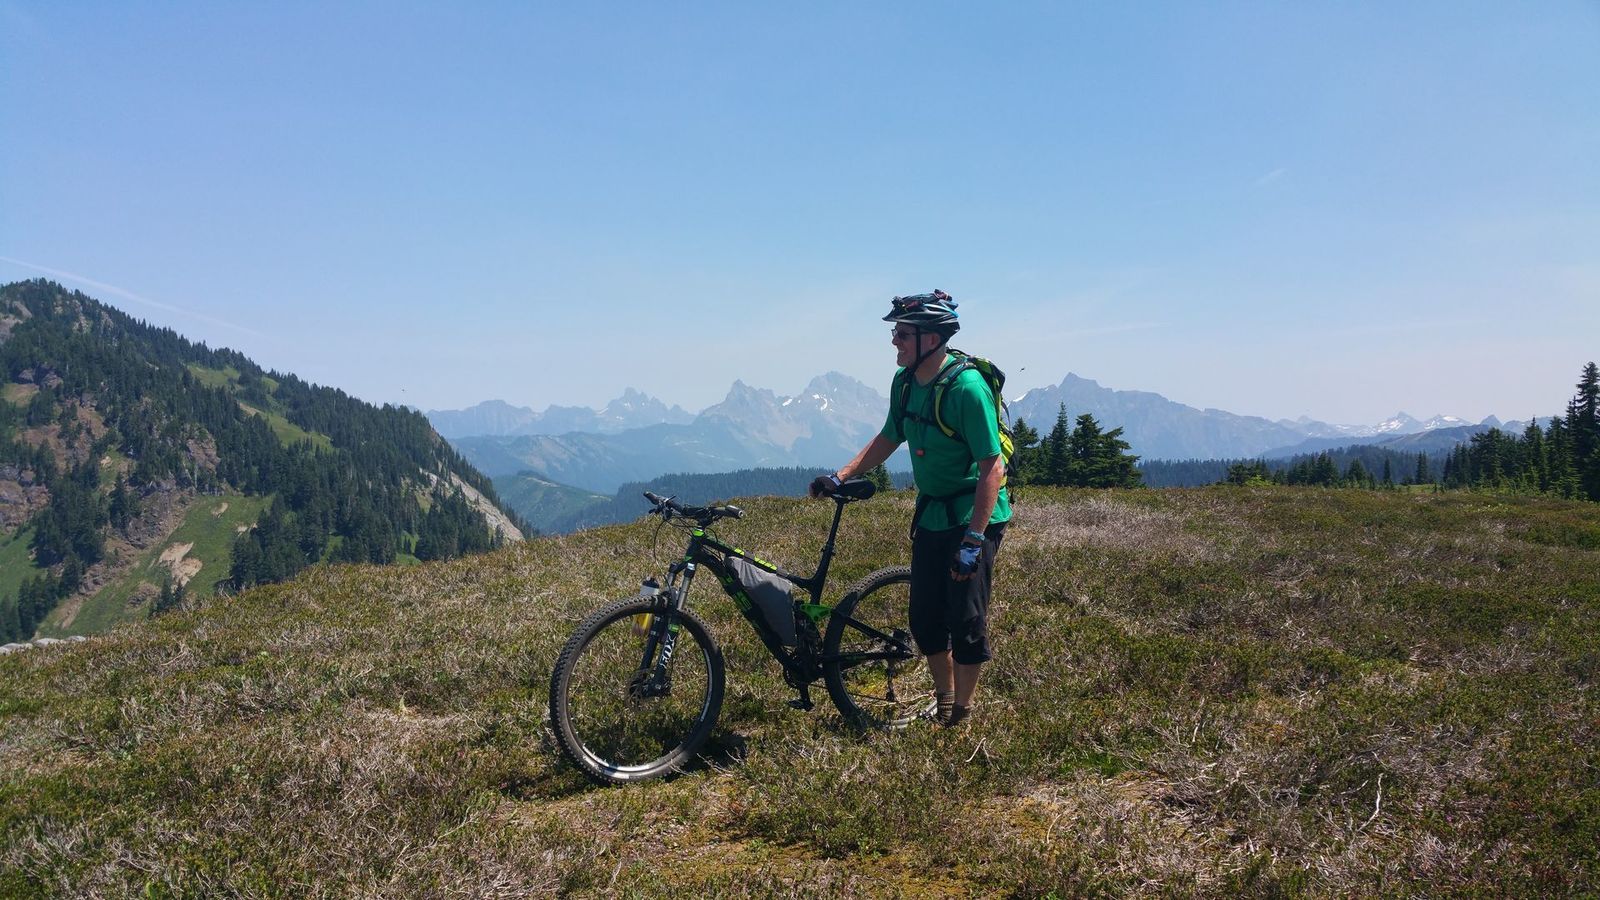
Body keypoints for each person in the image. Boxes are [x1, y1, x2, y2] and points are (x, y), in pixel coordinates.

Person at [810, 290, 1012, 727]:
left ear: (931, 339)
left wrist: (975, 539)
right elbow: (889, 436)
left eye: (903, 334)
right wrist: (840, 476)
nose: (894, 341)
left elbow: (991, 467)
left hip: (974, 515)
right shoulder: (904, 384)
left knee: (966, 617)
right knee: (924, 619)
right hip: (933, 513)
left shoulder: (966, 389)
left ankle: (961, 715)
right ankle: (944, 700)